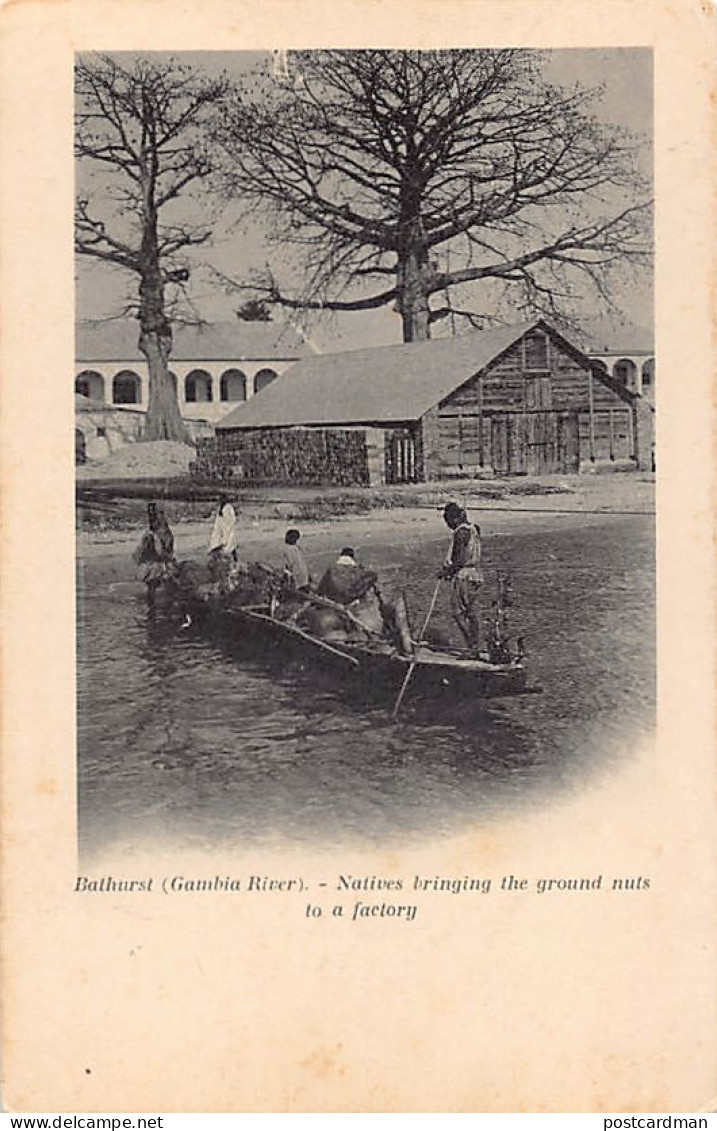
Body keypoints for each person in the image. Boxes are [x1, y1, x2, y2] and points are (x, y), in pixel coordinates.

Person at [439, 501, 484, 656]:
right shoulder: (474, 528)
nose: (448, 525)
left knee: (458, 613)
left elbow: (458, 559)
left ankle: (471, 646)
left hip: (463, 575)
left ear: (455, 519)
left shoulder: (460, 533)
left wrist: (446, 572)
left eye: (448, 521)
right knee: (472, 612)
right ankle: (475, 645)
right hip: (476, 574)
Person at [132, 502, 177, 594]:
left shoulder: (157, 534)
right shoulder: (151, 535)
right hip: (154, 565)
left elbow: (164, 553)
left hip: (155, 564)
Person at [208, 495, 239, 580]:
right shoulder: (221, 508)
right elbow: (219, 521)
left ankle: (234, 565)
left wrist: (227, 530)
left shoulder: (228, 508)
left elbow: (231, 520)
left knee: (230, 547)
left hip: (227, 530)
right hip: (221, 530)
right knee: (222, 546)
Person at [282, 528, 311, 593]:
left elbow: (289, 565)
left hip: (297, 578)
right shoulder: (296, 549)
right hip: (303, 577)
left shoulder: (288, 549)